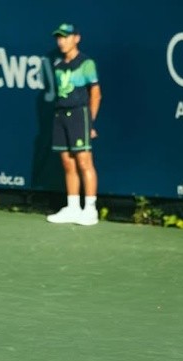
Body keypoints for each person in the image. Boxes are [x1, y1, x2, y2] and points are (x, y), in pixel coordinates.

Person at [46, 23, 102, 226]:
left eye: (66, 37)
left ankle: (90, 209)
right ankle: (72, 207)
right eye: (59, 38)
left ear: (76, 38)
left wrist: (90, 122)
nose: (61, 41)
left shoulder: (86, 63)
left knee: (84, 162)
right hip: (61, 116)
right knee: (68, 163)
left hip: (80, 115)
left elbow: (95, 93)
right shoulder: (58, 66)